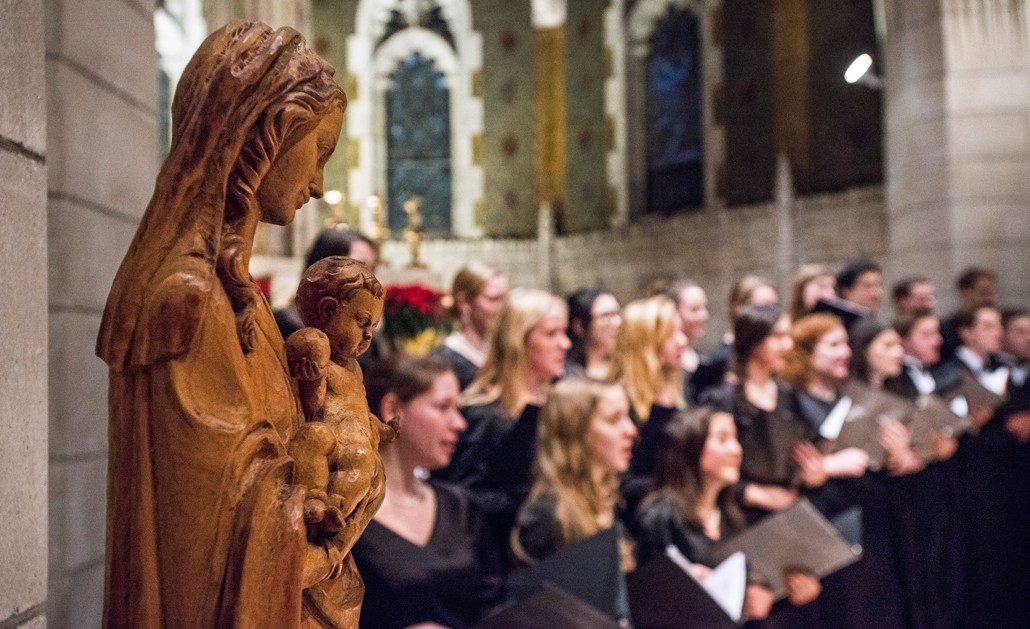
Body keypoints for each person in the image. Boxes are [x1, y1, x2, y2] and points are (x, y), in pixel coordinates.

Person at [95, 21, 352, 627]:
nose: (318, 184)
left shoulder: (233, 293)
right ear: (271, 133)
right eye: (317, 153)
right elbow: (205, 521)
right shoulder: (186, 300)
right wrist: (314, 504)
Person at [354, 355, 504, 629]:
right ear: (392, 409)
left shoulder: (459, 505)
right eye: (443, 407)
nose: (459, 423)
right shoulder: (350, 522)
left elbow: (492, 605)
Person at [635, 407, 822, 624]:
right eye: (723, 439)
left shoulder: (732, 519)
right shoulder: (660, 516)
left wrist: (786, 596)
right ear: (691, 446)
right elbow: (647, 605)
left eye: (735, 439)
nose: (736, 450)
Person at [285, 256, 391, 558]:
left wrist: (383, 429)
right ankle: (316, 504)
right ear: (329, 310)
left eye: (373, 326)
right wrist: (312, 380)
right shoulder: (317, 353)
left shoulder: (354, 369)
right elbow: (311, 408)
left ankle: (336, 510)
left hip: (355, 443)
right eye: (362, 322)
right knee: (313, 438)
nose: (369, 334)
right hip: (331, 438)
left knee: (362, 462)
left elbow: (357, 407)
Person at [512, 378, 638, 570]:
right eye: (614, 420)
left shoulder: (605, 500)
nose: (631, 430)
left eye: (627, 417)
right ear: (576, 432)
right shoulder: (547, 518)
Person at [701, 305, 812, 521]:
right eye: (778, 336)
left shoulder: (790, 395)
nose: (788, 345)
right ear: (754, 341)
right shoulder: (723, 399)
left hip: (787, 511)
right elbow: (705, 463)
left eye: (788, 336)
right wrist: (750, 493)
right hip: (739, 514)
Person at [610, 295, 688, 479]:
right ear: (647, 343)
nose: (683, 341)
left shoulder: (682, 389)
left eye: (681, 332)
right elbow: (622, 482)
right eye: (671, 334)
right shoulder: (622, 402)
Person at [275, 228, 380, 340]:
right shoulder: (279, 326)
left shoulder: (365, 337)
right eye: (360, 270)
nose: (370, 282)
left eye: (371, 270)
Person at [434, 262, 510, 390]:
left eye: (506, 299)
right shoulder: (443, 361)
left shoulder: (507, 351)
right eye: (493, 299)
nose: (504, 308)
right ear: (464, 301)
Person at [666, 280, 723, 402]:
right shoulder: (668, 363)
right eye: (694, 309)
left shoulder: (703, 360)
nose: (704, 315)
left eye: (704, 308)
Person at [940, 267, 999, 362]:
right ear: (965, 293)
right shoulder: (946, 328)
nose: (988, 299)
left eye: (991, 293)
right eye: (983, 293)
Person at [564, 288, 622, 381]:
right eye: (606, 315)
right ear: (579, 326)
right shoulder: (566, 374)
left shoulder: (628, 366)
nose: (618, 322)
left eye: (617, 314)